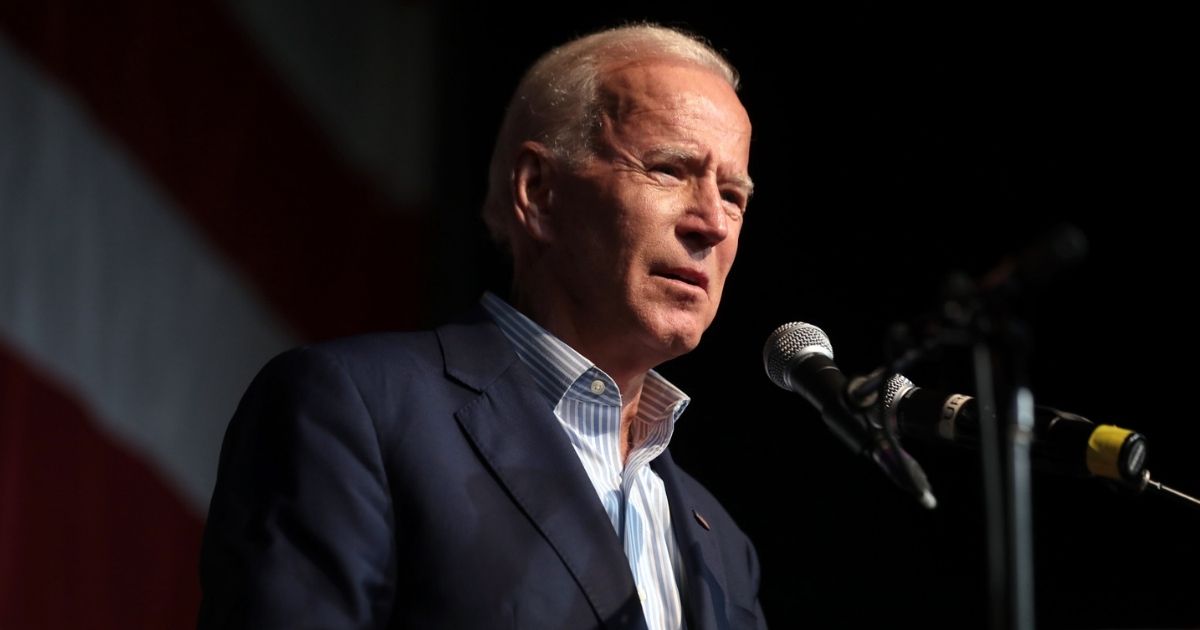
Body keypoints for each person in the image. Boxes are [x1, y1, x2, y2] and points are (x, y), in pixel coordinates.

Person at [198, 23, 765, 630]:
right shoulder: (356, 408)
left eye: (733, 194)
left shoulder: (723, 548)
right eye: (669, 170)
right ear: (539, 192)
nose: (713, 223)